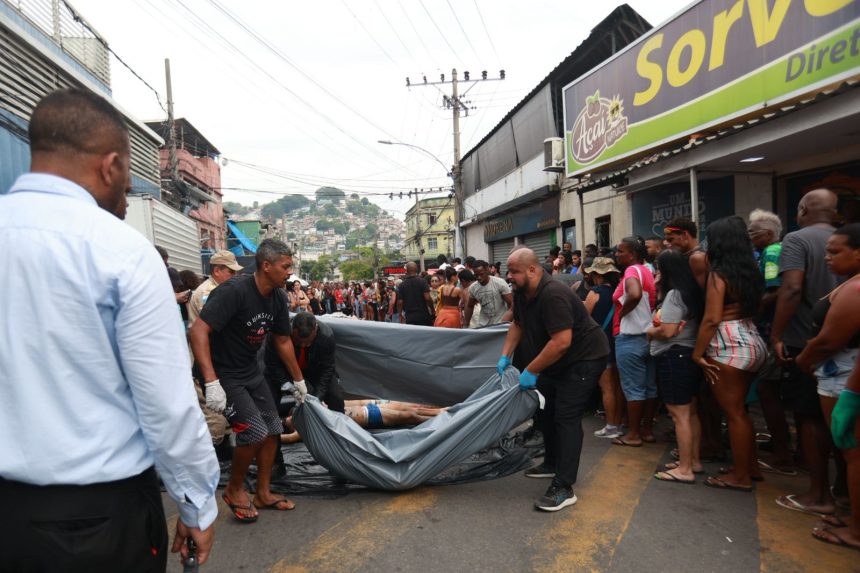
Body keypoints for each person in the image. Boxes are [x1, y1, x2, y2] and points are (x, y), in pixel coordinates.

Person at [0, 88, 218, 570]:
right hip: (95, 520)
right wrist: (196, 504)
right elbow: (166, 404)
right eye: (126, 180)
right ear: (110, 165)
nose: (125, 196)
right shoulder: (120, 251)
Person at [190, 239, 306, 523]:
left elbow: (281, 339)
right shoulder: (234, 291)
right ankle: (233, 489)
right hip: (224, 374)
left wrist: (299, 380)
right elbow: (197, 332)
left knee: (272, 428)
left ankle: (263, 493)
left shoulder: (278, 297)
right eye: (285, 267)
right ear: (266, 266)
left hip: (250, 371)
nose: (289, 273)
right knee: (253, 431)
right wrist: (211, 380)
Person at [499, 248, 609, 511]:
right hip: (558, 360)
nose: (510, 277)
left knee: (566, 416)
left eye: (514, 272)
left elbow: (561, 342)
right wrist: (505, 356)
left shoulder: (553, 295)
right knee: (545, 411)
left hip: (584, 358)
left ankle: (564, 486)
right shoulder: (523, 293)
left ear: (533, 270)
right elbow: (518, 324)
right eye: (509, 272)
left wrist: (531, 370)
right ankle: (551, 462)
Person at [771, 188, 839, 514]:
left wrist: (776, 334)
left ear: (802, 209)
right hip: (845, 341)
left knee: (809, 416)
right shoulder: (846, 238)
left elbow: (792, 288)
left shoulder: (797, 240)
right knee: (842, 417)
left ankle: (817, 492)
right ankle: (842, 491)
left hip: (806, 341)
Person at [796, 223, 860, 549]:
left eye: (835, 252)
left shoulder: (856, 288)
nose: (828, 258)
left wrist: (804, 360)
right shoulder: (849, 284)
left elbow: (829, 340)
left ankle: (856, 530)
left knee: (853, 453)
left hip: (845, 375)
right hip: (838, 374)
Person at [692, 216, 767, 492]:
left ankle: (741, 476)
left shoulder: (718, 274)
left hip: (728, 343)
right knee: (742, 411)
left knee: (734, 413)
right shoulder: (750, 271)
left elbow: (711, 319)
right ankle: (750, 467)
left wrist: (698, 354)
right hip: (752, 339)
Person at [647, 250, 705, 484]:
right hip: (687, 356)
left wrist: (649, 331)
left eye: (659, 269)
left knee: (679, 415)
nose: (657, 274)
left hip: (673, 357)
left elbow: (668, 331)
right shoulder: (691, 293)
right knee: (690, 413)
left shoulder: (674, 295)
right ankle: (693, 461)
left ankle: (684, 469)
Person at [747, 209, 796, 475]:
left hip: (771, 330)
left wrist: (751, 310)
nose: (750, 237)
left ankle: (783, 454)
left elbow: (774, 291)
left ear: (767, 234)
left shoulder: (772, 253)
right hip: (772, 330)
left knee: (767, 391)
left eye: (753, 233)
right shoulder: (774, 250)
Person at [611, 236, 658, 447]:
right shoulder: (647, 271)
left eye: (621, 251)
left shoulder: (631, 271)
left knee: (633, 388)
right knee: (649, 387)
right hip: (647, 335)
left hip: (629, 337)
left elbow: (635, 294)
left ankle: (633, 434)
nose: (617, 254)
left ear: (632, 254)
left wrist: (622, 314)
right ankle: (646, 430)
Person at [583, 258, 624, 439]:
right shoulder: (617, 292)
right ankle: (618, 421)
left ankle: (611, 426)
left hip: (600, 345)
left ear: (597, 275)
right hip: (616, 341)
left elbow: (584, 319)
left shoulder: (595, 293)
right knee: (616, 386)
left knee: (606, 387)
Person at [189, 250, 243, 324]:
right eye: (231, 272)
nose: (235, 275)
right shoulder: (207, 291)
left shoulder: (219, 288)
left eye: (236, 272)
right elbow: (211, 321)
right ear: (216, 271)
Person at [464, 260, 513, 327]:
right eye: (476, 275)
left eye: (481, 274)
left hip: (500, 325)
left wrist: (506, 323)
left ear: (487, 270)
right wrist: (466, 324)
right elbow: (470, 306)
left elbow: (511, 305)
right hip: (483, 326)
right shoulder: (473, 288)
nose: (479, 277)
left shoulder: (500, 283)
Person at [397, 261, 435, 326]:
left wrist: (400, 314)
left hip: (409, 317)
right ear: (417, 269)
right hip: (423, 316)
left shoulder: (402, 285)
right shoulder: (423, 281)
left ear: (406, 270)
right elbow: (427, 298)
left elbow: (400, 302)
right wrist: (432, 309)